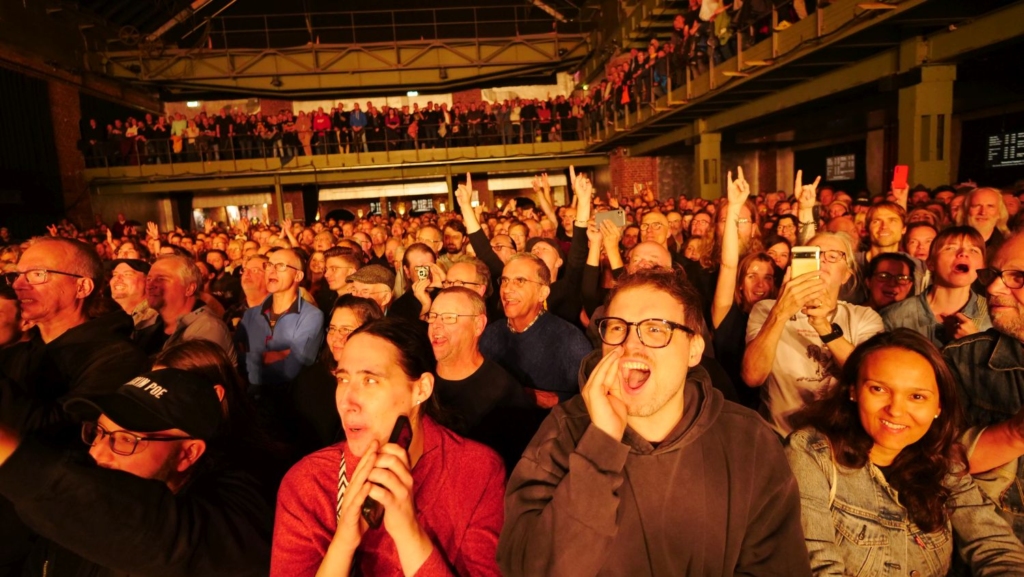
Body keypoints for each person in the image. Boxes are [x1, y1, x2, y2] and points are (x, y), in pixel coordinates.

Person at [498, 268, 811, 576]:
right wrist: (601, 444)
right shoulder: (563, 431)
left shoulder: (748, 441)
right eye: (618, 328)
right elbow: (529, 566)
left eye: (656, 329)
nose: (631, 345)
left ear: (694, 349)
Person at [270, 318, 505, 576]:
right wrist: (343, 544)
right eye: (343, 379)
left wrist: (409, 534)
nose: (348, 402)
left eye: (370, 381)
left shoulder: (476, 470)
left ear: (421, 389)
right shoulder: (308, 483)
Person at [786, 330, 1024, 575]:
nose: (896, 410)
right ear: (853, 391)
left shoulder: (943, 462)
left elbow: (997, 547)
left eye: (917, 396)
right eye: (878, 389)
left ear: (938, 406)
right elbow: (816, 566)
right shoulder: (811, 453)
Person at [0, 368, 275, 577]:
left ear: (188, 453)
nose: (98, 453)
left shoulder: (235, 515)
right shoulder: (86, 488)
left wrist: (14, 459)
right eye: (99, 433)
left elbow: (163, 535)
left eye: (126, 439)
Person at [743, 232, 885, 437]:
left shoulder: (864, 317)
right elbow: (752, 377)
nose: (821, 262)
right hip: (779, 437)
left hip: (838, 438)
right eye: (813, 254)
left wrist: (823, 326)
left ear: (846, 274)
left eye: (833, 256)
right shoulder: (767, 310)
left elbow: (870, 377)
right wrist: (781, 311)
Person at [942, 231, 1024, 539]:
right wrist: (1014, 434)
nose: (991, 287)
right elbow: (926, 459)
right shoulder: (963, 360)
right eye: (993, 275)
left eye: (1017, 277)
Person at [427, 288, 531, 468]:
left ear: (478, 325)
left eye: (449, 317)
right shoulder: (416, 373)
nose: (436, 325)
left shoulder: (504, 394)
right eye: (433, 316)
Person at [479, 253, 592, 408]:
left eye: (520, 281)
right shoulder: (490, 334)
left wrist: (555, 399)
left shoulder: (570, 341)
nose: (507, 289)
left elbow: (592, 398)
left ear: (542, 293)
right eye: (505, 280)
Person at [882, 226, 990, 347]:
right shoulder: (896, 318)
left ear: (982, 265)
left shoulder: (993, 317)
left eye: (974, 250)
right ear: (931, 263)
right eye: (951, 248)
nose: (963, 253)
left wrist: (976, 345)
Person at [239, 248, 324, 390]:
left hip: (288, 403)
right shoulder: (251, 314)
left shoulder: (311, 316)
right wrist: (271, 356)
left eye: (280, 266)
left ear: (298, 276)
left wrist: (251, 361)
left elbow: (291, 369)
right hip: (250, 403)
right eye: (269, 265)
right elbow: (235, 359)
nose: (271, 271)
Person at [133, 255, 235, 358]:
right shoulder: (148, 325)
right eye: (149, 279)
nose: (150, 285)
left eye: (161, 279)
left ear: (189, 289)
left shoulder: (208, 329)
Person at [108, 258, 157, 328]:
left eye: (127, 274)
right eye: (114, 275)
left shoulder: (156, 318)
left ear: (147, 281)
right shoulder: (107, 315)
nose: (117, 278)